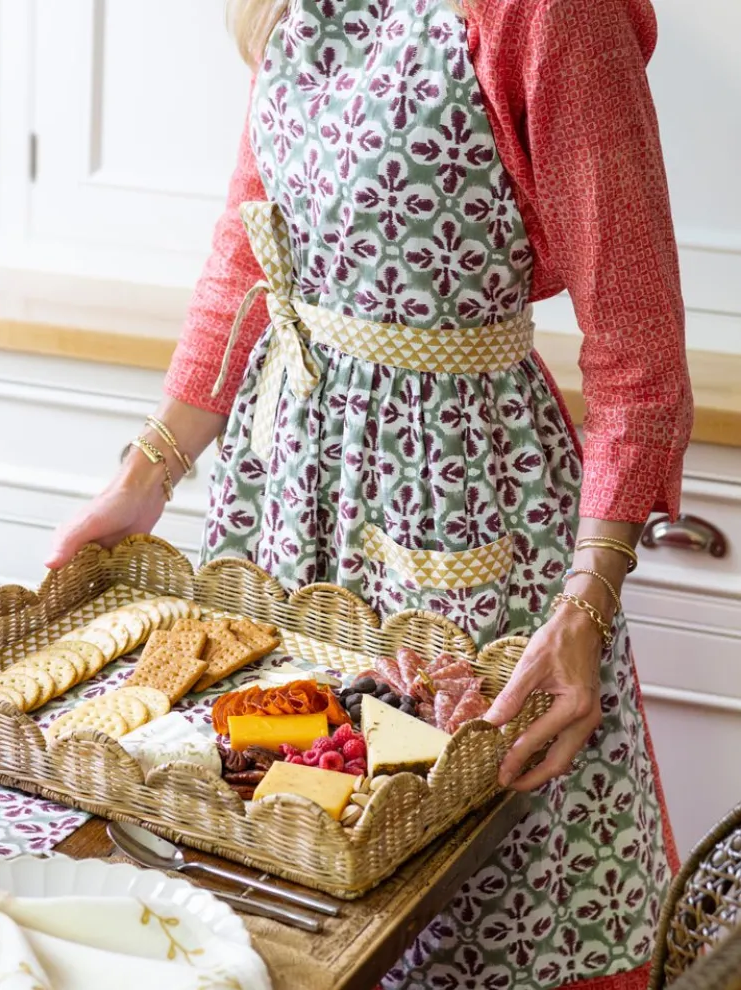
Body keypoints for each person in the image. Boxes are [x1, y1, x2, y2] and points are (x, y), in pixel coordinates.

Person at [47, 0, 693, 985]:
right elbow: (248, 251)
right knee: (286, 876)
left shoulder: (551, 12)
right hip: (287, 496)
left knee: (466, 892)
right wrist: (146, 477)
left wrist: (584, 610)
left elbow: (638, 353)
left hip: (458, 503)